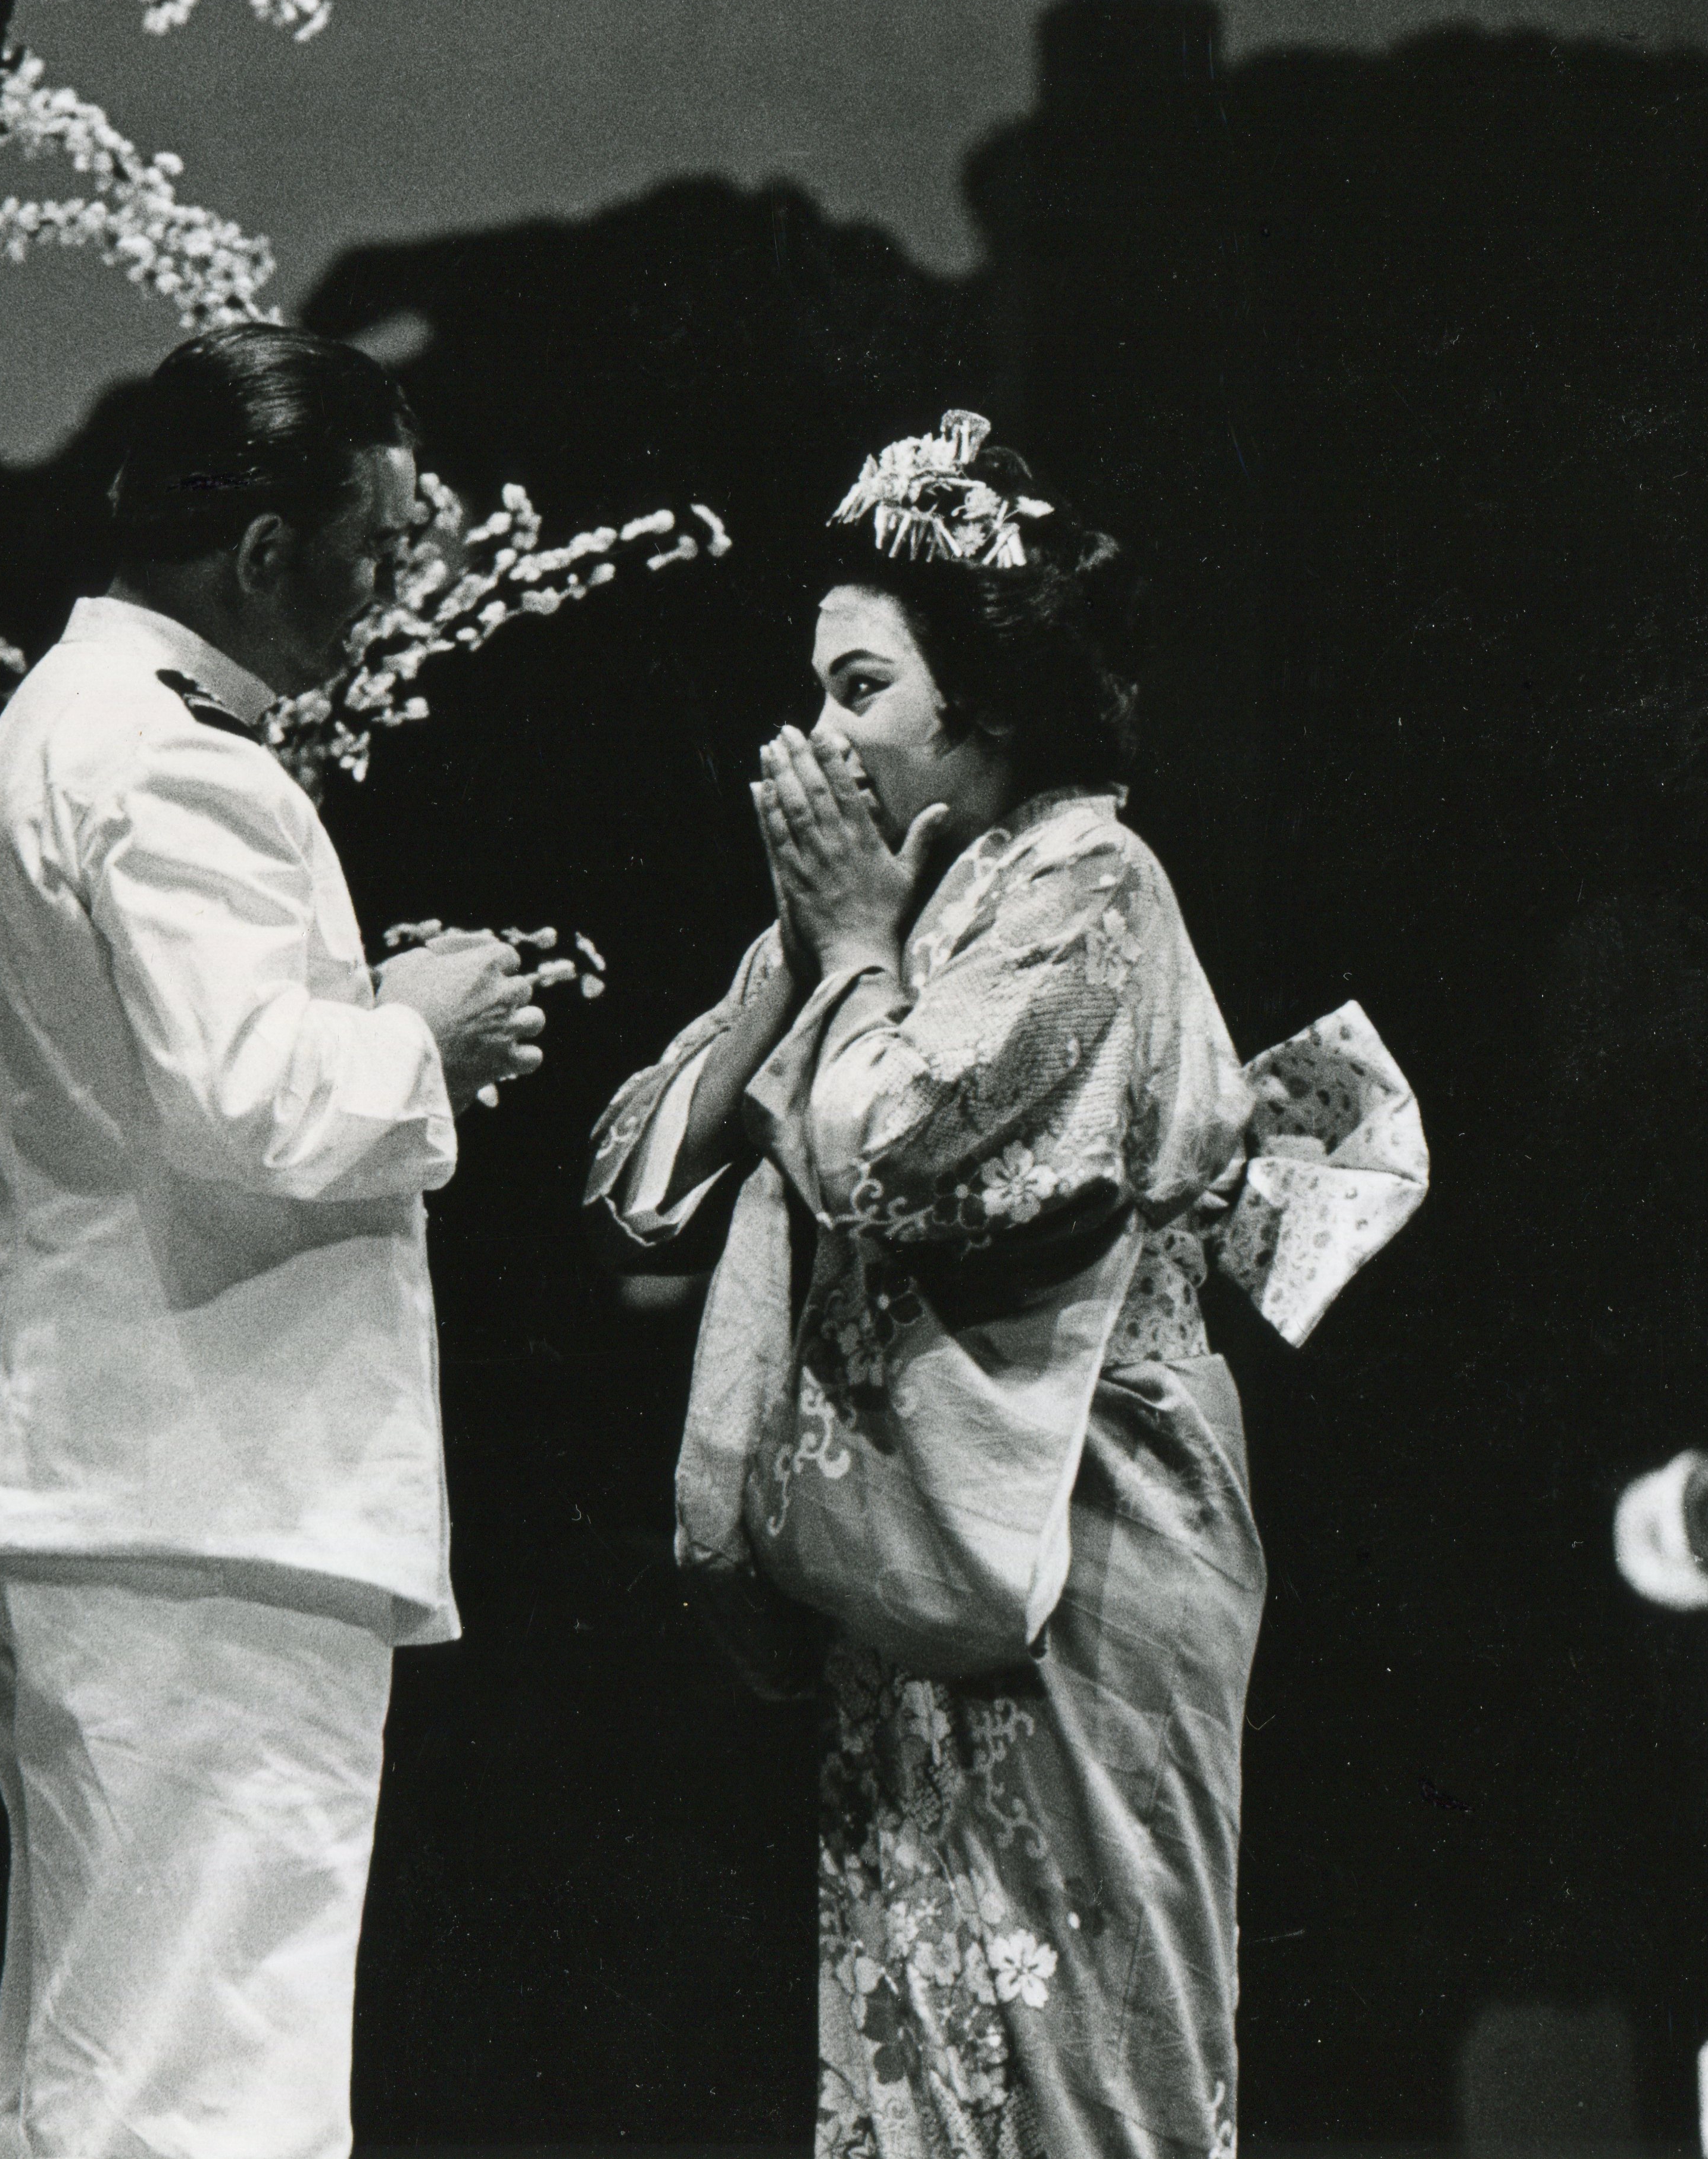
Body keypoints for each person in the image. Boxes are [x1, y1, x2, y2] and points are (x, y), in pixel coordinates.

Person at [585, 414, 1421, 2159]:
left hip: (1093, 1532)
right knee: (914, 2070)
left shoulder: (1089, 882)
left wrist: (846, 956)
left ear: (983, 705)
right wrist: (804, 956)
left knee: (1081, 2068)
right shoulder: (881, 912)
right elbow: (636, 1181)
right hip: (930, 1557)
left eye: (861, 685)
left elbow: (889, 1140)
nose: (819, 735)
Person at [0, 324, 547, 2159]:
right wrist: (430, 1031)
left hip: (108, 1481)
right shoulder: (174, 766)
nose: (387, 591)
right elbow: (257, 1102)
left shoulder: (54, 733)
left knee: (109, 2059)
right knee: (209, 2069)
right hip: (205, 1488)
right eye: (376, 546)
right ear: (262, 553)